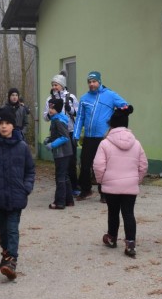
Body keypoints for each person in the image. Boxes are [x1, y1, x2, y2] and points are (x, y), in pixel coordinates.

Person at [0, 108, 35, 281]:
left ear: (13, 126)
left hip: (17, 196)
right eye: (1, 123)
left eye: (7, 123)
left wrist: (26, 187)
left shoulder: (22, 147)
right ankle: (6, 252)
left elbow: (30, 170)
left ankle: (11, 260)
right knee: (2, 230)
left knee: (12, 229)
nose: (4, 127)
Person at [93, 105, 147, 258]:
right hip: (130, 185)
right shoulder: (136, 143)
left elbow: (98, 165)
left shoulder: (105, 143)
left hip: (111, 186)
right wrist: (137, 179)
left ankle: (111, 237)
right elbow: (143, 165)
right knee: (129, 213)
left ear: (111, 124)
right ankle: (130, 243)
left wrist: (101, 181)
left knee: (113, 212)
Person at [73, 70, 128, 202]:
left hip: (104, 137)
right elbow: (80, 117)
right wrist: (75, 134)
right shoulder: (84, 98)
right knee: (85, 164)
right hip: (88, 137)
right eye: (89, 82)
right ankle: (86, 190)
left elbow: (124, 106)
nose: (92, 84)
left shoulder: (110, 95)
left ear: (99, 81)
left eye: (94, 81)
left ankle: (104, 192)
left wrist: (115, 124)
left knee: (103, 165)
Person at [42, 71, 80, 195]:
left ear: (62, 85)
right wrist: (49, 113)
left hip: (70, 132)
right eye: (53, 84)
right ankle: (63, 188)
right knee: (60, 161)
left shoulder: (71, 97)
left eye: (56, 84)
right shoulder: (49, 99)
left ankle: (74, 187)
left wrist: (71, 110)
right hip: (57, 134)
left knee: (71, 161)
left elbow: (79, 113)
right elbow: (45, 117)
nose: (54, 87)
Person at [44, 98, 74, 209]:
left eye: (52, 108)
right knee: (64, 175)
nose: (50, 110)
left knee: (60, 176)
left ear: (57, 108)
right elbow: (57, 135)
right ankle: (69, 200)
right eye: (49, 108)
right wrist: (49, 139)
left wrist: (52, 145)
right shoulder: (56, 119)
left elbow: (64, 137)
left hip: (62, 153)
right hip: (64, 152)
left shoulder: (58, 121)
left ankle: (59, 202)